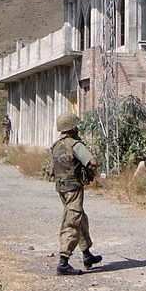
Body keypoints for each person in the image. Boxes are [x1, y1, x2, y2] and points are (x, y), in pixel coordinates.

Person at [51, 113, 102, 275]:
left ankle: (87, 254)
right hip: (73, 188)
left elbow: (51, 170)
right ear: (72, 128)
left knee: (80, 219)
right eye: (76, 126)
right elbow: (93, 161)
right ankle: (63, 262)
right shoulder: (75, 145)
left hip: (62, 188)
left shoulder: (56, 146)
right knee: (72, 221)